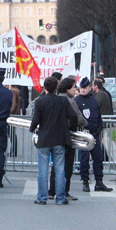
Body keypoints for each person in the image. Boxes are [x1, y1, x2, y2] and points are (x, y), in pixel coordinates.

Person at [30, 76, 78, 205]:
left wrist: (32, 128)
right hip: (59, 139)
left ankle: (42, 198)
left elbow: (36, 120)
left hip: (44, 139)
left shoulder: (40, 102)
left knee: (43, 170)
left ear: (45, 88)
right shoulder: (63, 101)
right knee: (60, 170)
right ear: (56, 88)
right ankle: (61, 198)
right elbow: (73, 116)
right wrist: (70, 128)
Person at [75, 77, 113, 193]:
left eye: (85, 88)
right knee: (84, 159)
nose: (83, 90)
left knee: (98, 158)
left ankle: (99, 182)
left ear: (90, 88)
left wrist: (99, 128)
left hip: (94, 134)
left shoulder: (93, 100)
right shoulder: (77, 100)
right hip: (84, 134)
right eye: (81, 88)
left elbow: (98, 115)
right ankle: (85, 182)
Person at [51, 77, 86, 199]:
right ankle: (64, 191)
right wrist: (84, 124)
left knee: (56, 164)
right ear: (67, 88)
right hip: (68, 135)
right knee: (67, 165)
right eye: (73, 87)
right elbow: (78, 118)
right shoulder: (70, 101)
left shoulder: (55, 99)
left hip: (54, 135)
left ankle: (51, 191)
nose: (75, 89)